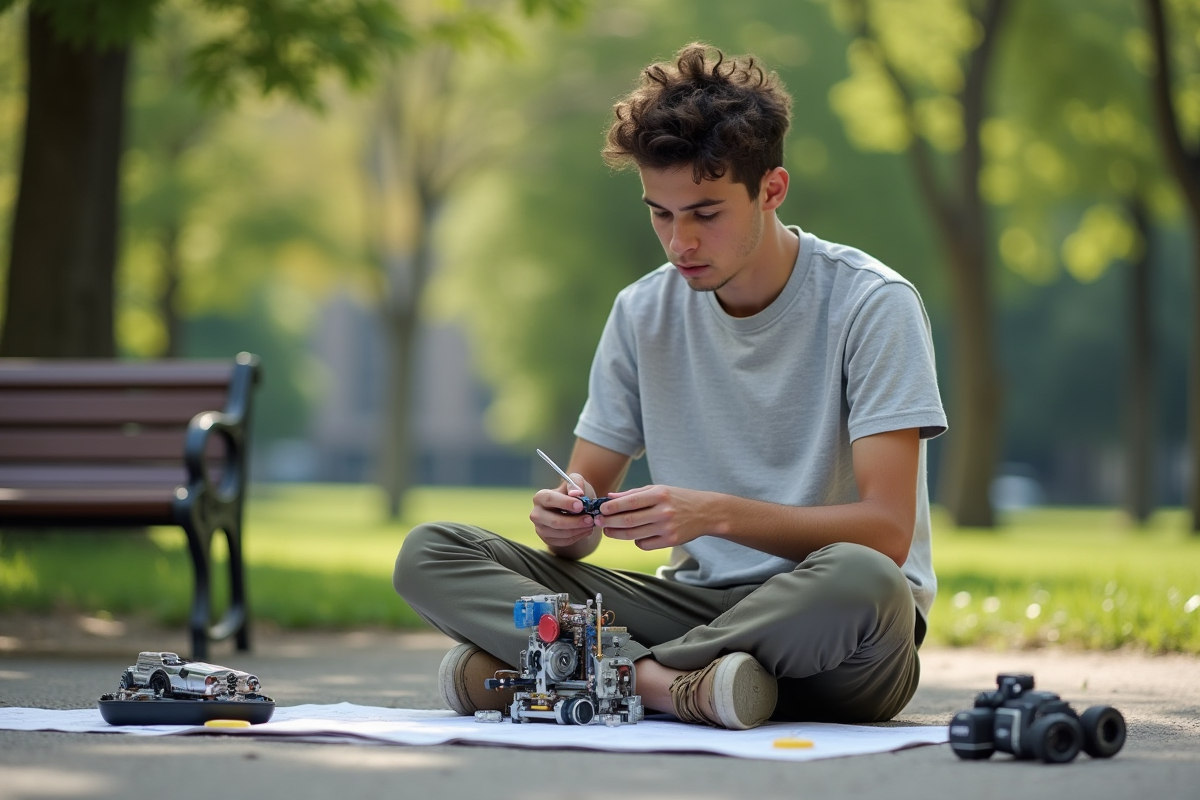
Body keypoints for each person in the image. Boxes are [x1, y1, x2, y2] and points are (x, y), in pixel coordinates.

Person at [394, 41, 947, 730]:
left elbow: (887, 533)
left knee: (865, 582)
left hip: (834, 636)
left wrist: (714, 514)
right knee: (432, 552)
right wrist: (567, 521)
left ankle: (581, 678)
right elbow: (582, 511)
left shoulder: (872, 303)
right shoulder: (641, 311)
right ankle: (683, 687)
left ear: (771, 190)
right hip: (690, 607)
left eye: (706, 213)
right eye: (661, 213)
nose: (679, 240)